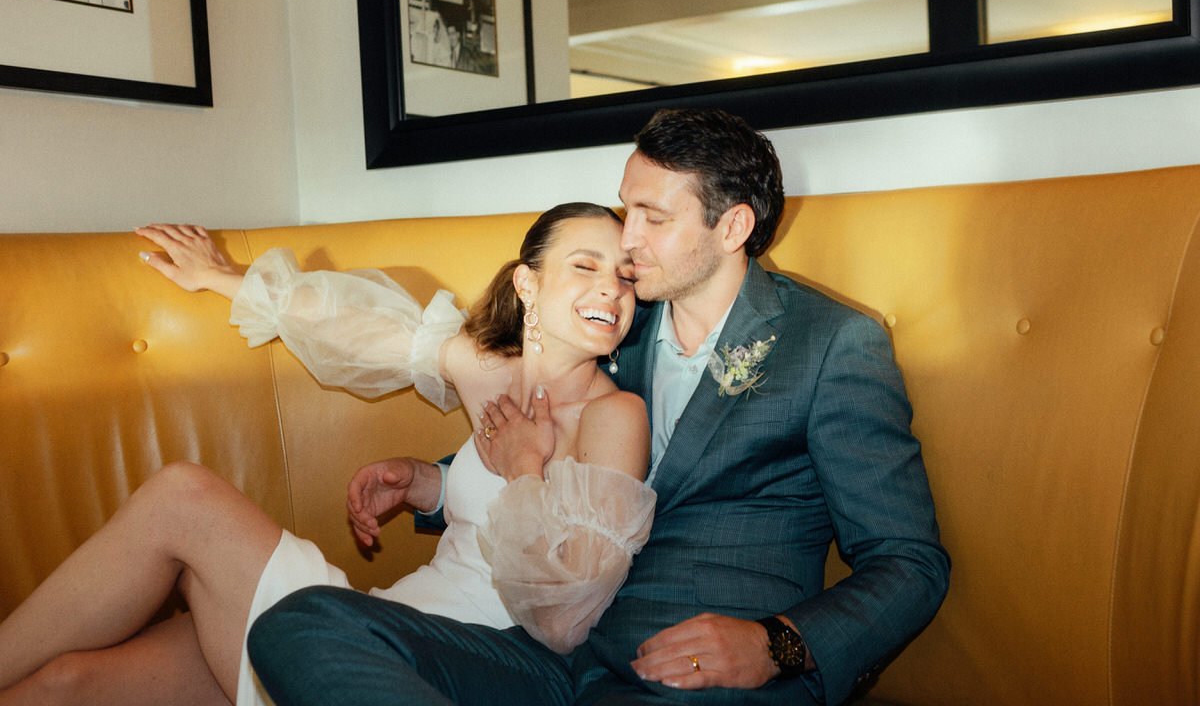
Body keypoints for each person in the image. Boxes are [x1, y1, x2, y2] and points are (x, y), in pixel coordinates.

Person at [248, 108, 951, 706]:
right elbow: (562, 452)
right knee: (300, 622)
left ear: (733, 226)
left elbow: (908, 561)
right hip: (555, 657)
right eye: (625, 209)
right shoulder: (617, 325)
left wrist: (776, 645)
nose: (628, 238)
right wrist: (434, 484)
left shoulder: (830, 343)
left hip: (693, 676)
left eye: (653, 217)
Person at [0, 203, 655, 706]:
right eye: (586, 266)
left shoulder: (614, 416)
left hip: (454, 662)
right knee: (66, 683)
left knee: (183, 496)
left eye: (625, 277)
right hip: (380, 619)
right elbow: (363, 329)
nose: (611, 290)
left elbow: (566, 620)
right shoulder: (489, 372)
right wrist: (425, 482)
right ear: (527, 284)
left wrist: (522, 469)